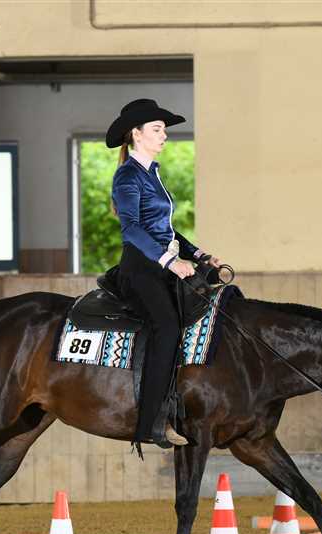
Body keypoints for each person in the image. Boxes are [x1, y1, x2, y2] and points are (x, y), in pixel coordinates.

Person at [105, 98, 223, 448]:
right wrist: (170, 262)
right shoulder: (128, 175)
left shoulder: (150, 173)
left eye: (164, 130)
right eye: (157, 129)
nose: (164, 135)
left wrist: (198, 255)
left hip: (160, 265)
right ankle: (150, 424)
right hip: (140, 269)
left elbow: (165, 229)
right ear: (136, 134)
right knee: (168, 328)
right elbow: (132, 228)